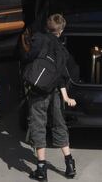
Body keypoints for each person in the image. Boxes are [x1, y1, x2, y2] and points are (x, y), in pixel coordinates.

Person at [24, 14, 77, 181]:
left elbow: (29, 58)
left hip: (38, 90)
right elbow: (61, 75)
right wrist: (66, 96)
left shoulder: (38, 39)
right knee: (59, 124)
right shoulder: (62, 50)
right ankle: (69, 164)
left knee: (38, 124)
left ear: (47, 27)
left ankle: (41, 168)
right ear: (60, 31)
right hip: (54, 90)